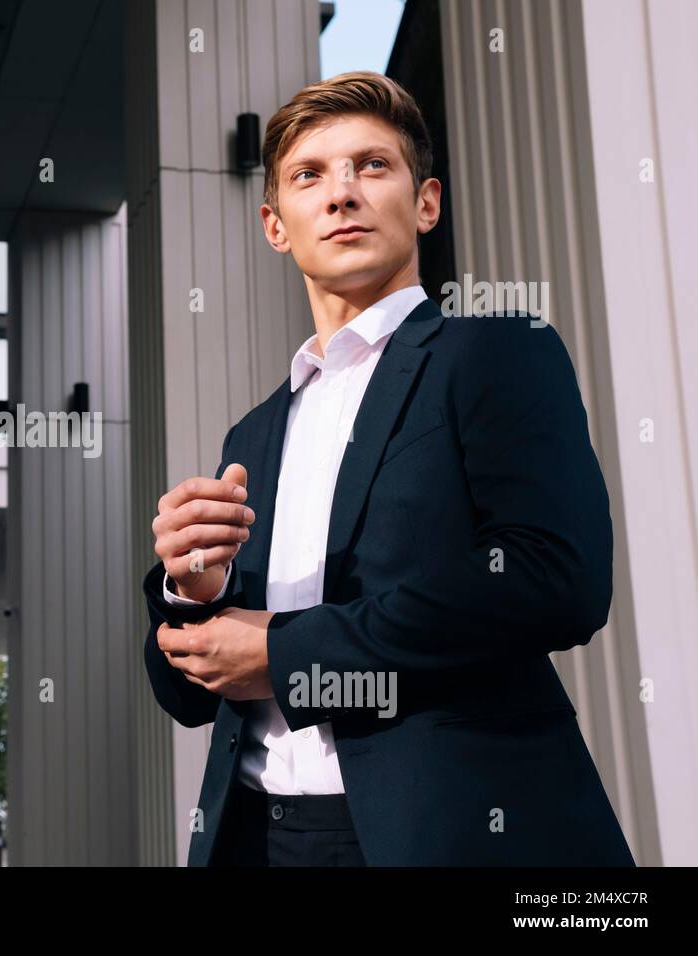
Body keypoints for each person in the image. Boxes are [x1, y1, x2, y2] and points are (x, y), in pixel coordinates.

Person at [143, 70, 634, 867]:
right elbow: (186, 698)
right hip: (255, 839)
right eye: (310, 175)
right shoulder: (253, 433)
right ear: (276, 225)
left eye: (372, 166)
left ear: (428, 203)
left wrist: (288, 651)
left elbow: (558, 578)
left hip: (449, 830)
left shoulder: (496, 353)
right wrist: (191, 590)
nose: (341, 194)